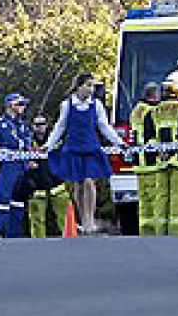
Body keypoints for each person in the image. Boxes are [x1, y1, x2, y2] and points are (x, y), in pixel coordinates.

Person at [46, 73, 125, 235]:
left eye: (92, 86)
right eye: (88, 85)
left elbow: (104, 126)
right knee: (78, 184)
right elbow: (60, 127)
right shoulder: (67, 105)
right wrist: (48, 145)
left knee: (89, 182)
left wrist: (119, 142)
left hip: (90, 147)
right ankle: (81, 219)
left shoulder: (96, 105)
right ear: (79, 86)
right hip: (73, 147)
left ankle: (89, 219)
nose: (91, 89)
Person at [129, 73, 178, 235]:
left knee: (161, 197)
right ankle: (176, 230)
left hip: (159, 160)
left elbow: (150, 136)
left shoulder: (154, 110)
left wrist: (162, 152)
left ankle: (159, 230)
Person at [0, 93, 32, 239]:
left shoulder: (22, 124)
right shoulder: (2, 123)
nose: (23, 108)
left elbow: (27, 142)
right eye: (20, 104)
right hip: (9, 166)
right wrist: (22, 145)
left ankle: (14, 236)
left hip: (22, 166)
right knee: (2, 201)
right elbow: (12, 141)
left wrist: (24, 147)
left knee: (18, 202)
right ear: (11, 105)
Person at [24, 113, 71, 238]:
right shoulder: (27, 142)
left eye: (42, 124)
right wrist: (27, 164)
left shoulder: (56, 139)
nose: (40, 127)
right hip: (37, 187)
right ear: (32, 126)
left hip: (57, 185)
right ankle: (38, 244)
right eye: (37, 124)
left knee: (65, 217)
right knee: (36, 220)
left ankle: (69, 240)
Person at [128, 82, 164, 236]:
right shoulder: (152, 111)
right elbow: (152, 135)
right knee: (156, 197)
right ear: (153, 95)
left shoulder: (136, 110)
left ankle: (145, 228)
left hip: (138, 161)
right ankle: (156, 229)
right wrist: (161, 151)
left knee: (143, 199)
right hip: (150, 160)